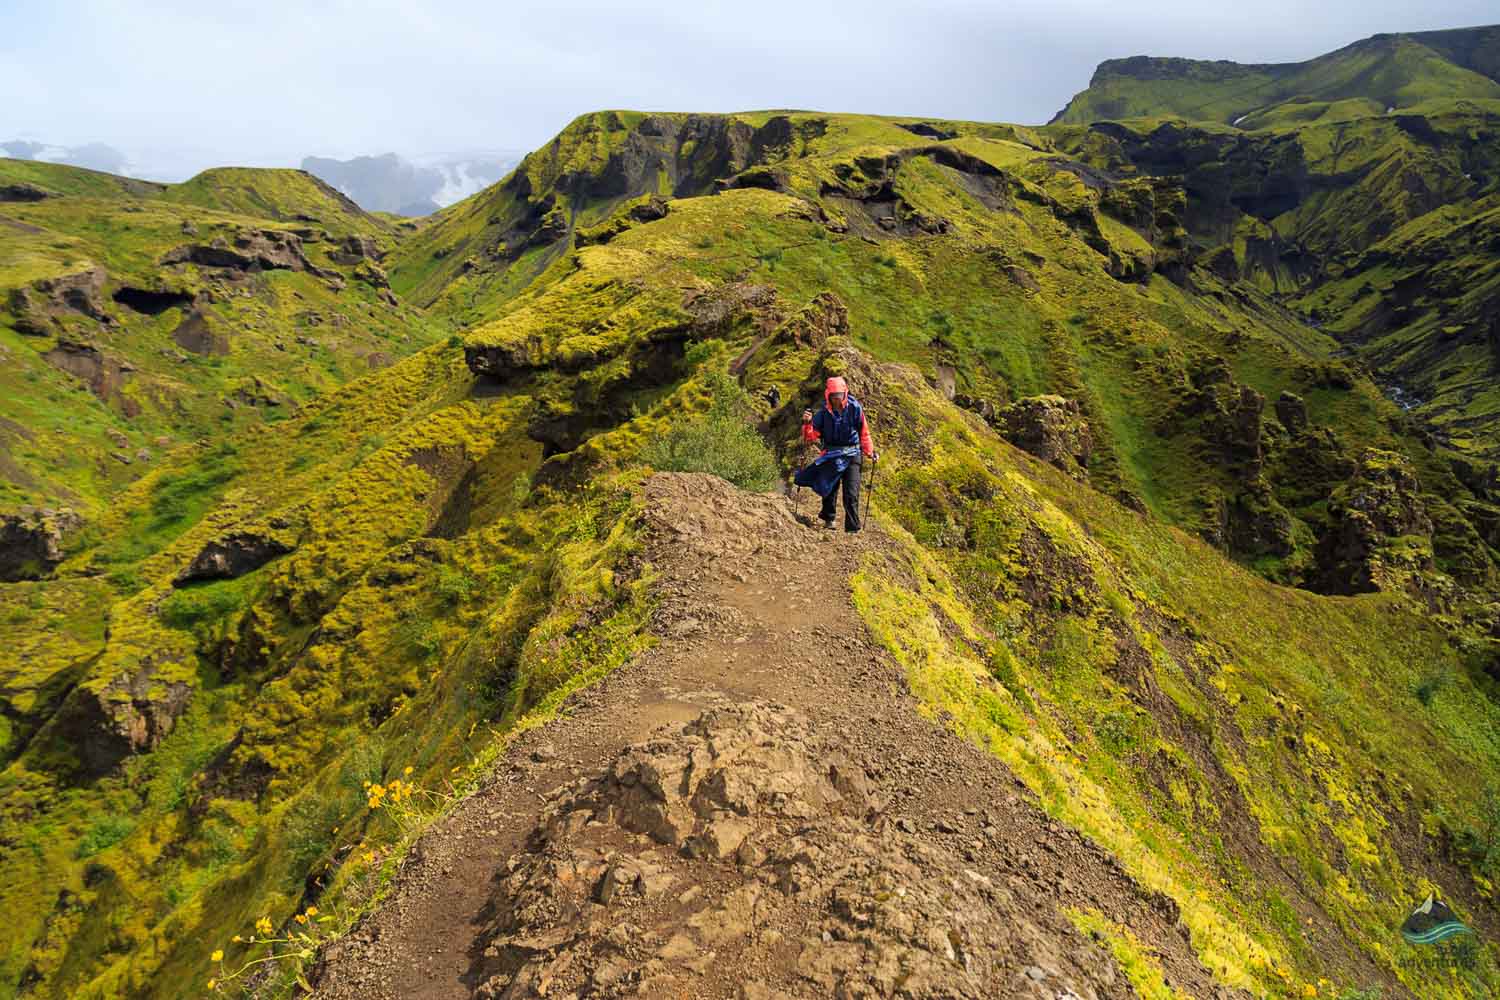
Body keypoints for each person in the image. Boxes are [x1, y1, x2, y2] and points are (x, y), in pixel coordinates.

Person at [795, 376, 876, 532]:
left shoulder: (855, 408)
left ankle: (853, 528)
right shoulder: (823, 414)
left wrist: (870, 452)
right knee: (829, 488)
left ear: (844, 393)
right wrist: (807, 424)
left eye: (839, 395)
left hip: (853, 453)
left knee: (851, 493)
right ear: (828, 395)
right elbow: (810, 437)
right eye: (833, 396)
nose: (836, 399)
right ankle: (829, 519)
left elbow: (864, 433)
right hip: (831, 453)